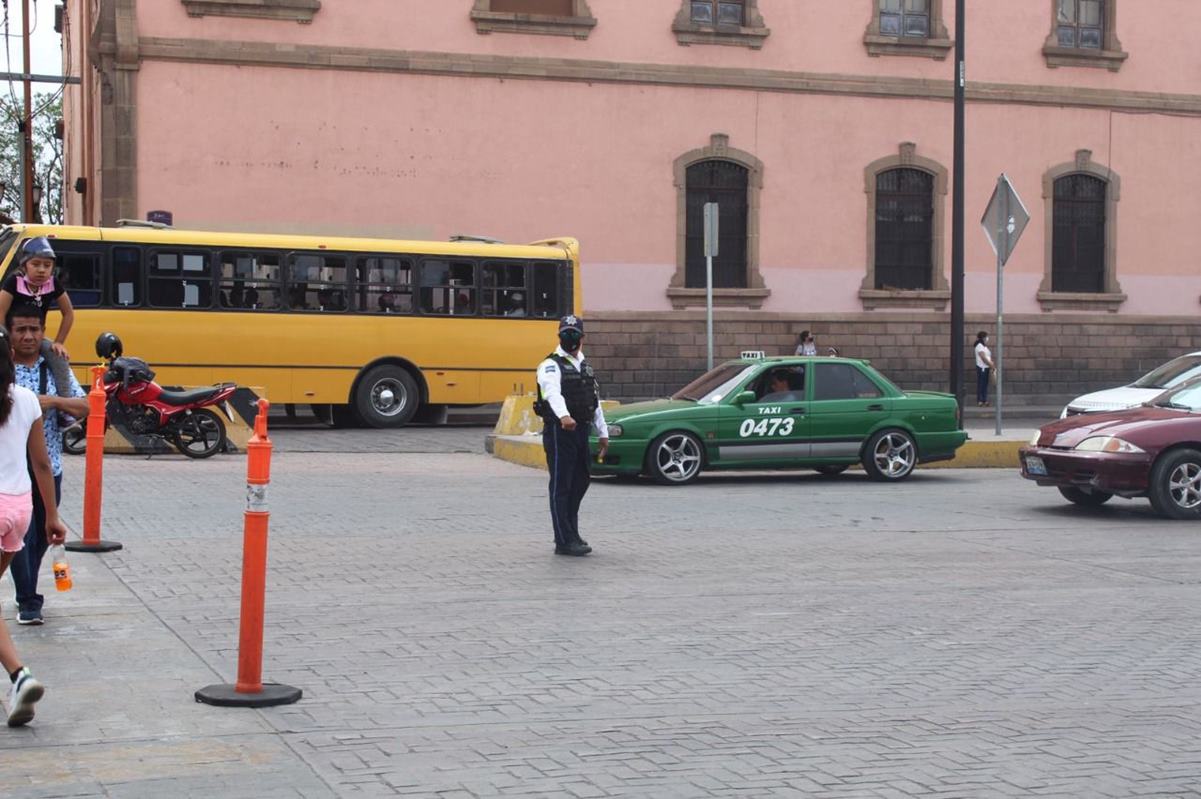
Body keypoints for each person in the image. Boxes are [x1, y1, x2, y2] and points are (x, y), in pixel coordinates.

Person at [0, 325, 69, 726]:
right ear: (10, 358)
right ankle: (18, 679)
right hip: (19, 510)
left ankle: (20, 675)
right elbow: (42, 464)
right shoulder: (27, 398)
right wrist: (53, 516)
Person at [6, 305, 87, 626]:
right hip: (13, 472)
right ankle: (28, 598)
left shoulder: (54, 367)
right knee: (20, 536)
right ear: (9, 333)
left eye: (34, 330)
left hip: (49, 466)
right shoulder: (3, 368)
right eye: (20, 330)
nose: (28, 336)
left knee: (41, 536)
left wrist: (51, 401)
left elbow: (85, 406)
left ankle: (26, 587)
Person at [533, 315, 608, 557]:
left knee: (581, 481)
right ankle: (564, 540)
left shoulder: (585, 366)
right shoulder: (550, 365)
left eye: (574, 333)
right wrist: (564, 416)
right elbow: (552, 393)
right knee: (561, 485)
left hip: (582, 429)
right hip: (560, 431)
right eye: (566, 333)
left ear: (583, 337)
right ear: (559, 336)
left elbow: (594, 401)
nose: (570, 337)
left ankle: (571, 532)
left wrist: (603, 432)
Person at [0, 238, 78, 421]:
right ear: (24, 265)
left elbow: (68, 313)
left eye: (47, 265)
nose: (42, 270)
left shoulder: (53, 284)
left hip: (36, 336)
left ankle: (65, 410)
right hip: (10, 335)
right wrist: (5, 339)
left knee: (58, 358)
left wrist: (59, 342)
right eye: (35, 264)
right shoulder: (14, 282)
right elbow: (1, 311)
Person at [975, 330, 995, 407]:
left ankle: (984, 400)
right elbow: (983, 357)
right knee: (981, 384)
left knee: (985, 384)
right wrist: (991, 364)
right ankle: (980, 400)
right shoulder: (979, 345)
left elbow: (987, 356)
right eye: (986, 337)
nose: (987, 338)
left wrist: (991, 363)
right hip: (982, 367)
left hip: (986, 367)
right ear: (983, 337)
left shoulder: (984, 346)